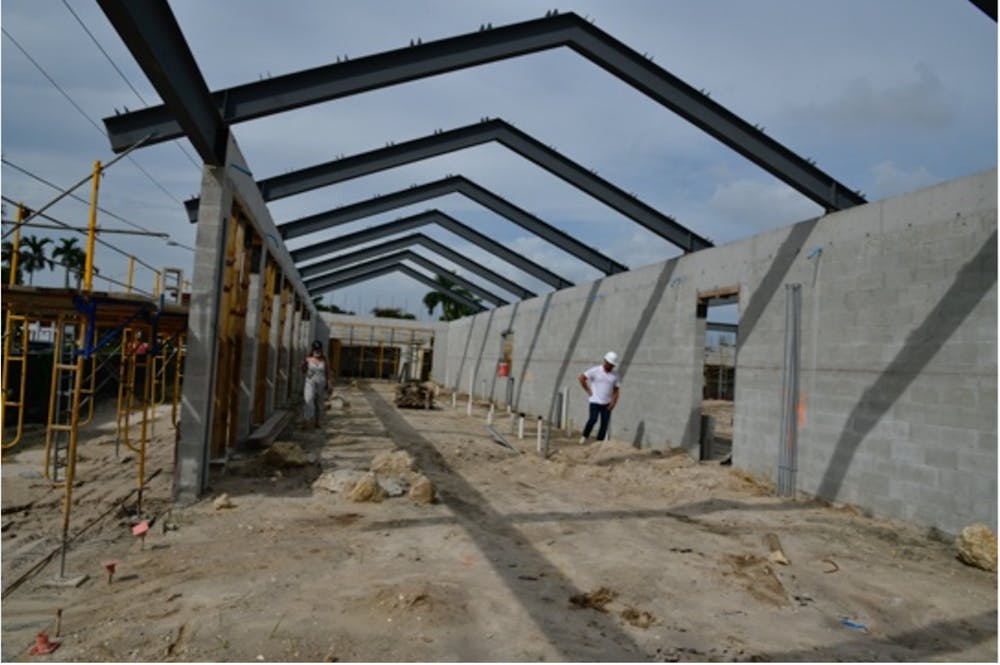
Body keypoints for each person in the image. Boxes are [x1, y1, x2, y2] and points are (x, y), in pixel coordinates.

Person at [577, 351, 621, 444]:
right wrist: (588, 390)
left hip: (607, 403)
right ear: (605, 361)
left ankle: (599, 443)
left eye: (612, 365)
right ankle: (584, 436)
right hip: (595, 401)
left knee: (604, 424)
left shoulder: (615, 375)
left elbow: (616, 390)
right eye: (609, 364)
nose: (611, 366)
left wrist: (613, 403)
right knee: (593, 419)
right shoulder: (595, 370)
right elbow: (581, 378)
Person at [301, 340, 333, 429]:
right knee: (308, 399)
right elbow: (302, 371)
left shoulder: (324, 359)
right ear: (313, 350)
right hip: (310, 382)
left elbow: (328, 372)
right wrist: (304, 364)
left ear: (321, 349)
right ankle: (307, 420)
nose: (317, 351)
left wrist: (329, 383)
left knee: (319, 403)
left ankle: (318, 421)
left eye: (318, 350)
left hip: (321, 382)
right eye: (315, 350)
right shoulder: (308, 359)